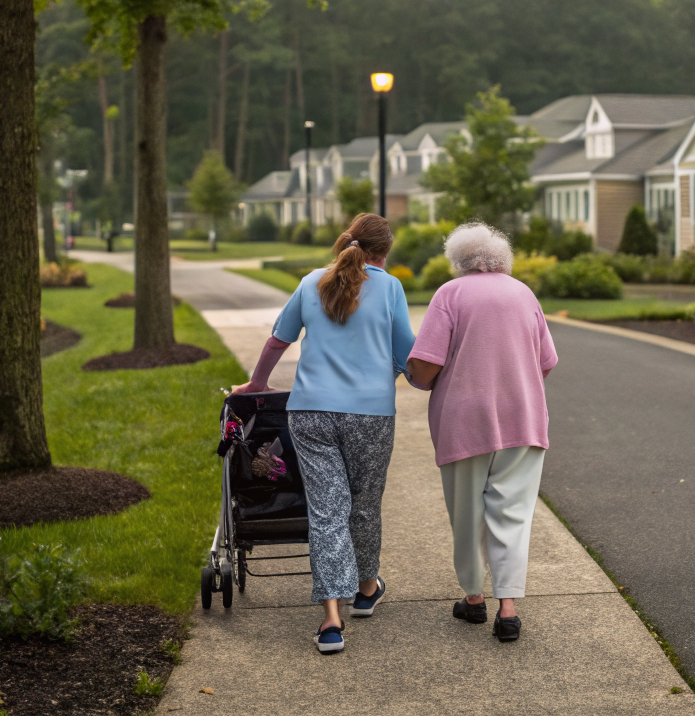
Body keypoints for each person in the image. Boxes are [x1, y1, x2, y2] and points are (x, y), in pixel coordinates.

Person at [232, 213, 413, 656]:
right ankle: (366, 590)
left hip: (310, 413)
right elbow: (407, 352)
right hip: (370, 415)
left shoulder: (312, 280)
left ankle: (332, 621)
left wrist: (257, 384)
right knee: (364, 504)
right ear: (383, 253)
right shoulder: (389, 287)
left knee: (327, 511)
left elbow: (279, 340)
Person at [406, 222, 558, 644]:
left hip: (464, 418)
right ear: (501, 258)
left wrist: (408, 371)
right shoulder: (523, 293)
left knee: (468, 511)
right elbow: (546, 360)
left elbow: (427, 366)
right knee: (512, 513)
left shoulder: (449, 294)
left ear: (458, 261)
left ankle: (474, 599)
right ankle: (508, 609)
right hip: (523, 417)